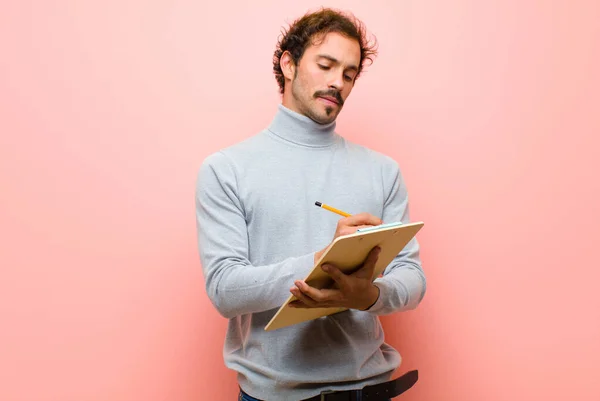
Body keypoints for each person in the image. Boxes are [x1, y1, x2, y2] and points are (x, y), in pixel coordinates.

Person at [195, 7, 426, 401]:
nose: (338, 82)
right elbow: (225, 289)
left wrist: (367, 296)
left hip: (371, 389)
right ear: (288, 64)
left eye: (349, 74)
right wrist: (322, 262)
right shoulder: (226, 169)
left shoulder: (383, 170)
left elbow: (413, 279)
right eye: (326, 65)